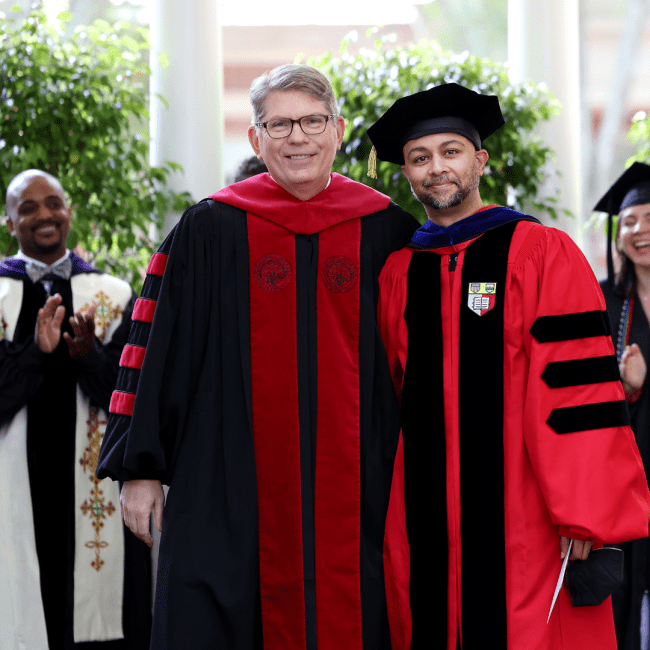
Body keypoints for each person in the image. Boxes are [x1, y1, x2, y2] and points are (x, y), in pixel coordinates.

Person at [96, 64, 419, 650]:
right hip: (227, 479)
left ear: (338, 130)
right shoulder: (209, 228)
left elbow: (420, 360)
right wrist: (141, 468)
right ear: (255, 138)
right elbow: (156, 351)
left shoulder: (388, 230)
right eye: (280, 124)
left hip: (361, 484)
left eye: (312, 121)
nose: (298, 137)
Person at [369, 83, 650, 650]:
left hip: (523, 514)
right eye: (420, 158)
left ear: (479, 160)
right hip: (421, 510)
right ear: (406, 175)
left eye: (450, 152)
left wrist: (584, 515)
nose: (436, 168)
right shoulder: (399, 272)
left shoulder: (540, 252)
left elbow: (576, 393)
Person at [0, 170, 151, 649]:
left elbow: (133, 398)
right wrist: (35, 353)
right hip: (15, 483)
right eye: (27, 208)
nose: (43, 215)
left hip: (94, 483)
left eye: (53, 204)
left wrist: (91, 356)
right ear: (9, 223)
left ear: (69, 212)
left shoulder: (113, 295)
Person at [595, 161, 650, 650]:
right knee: (623, 592)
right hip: (624, 479)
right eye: (631, 221)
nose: (640, 231)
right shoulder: (600, 302)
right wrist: (627, 388)